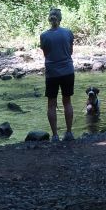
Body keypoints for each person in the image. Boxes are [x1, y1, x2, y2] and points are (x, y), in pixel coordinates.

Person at [40, 7, 74, 141]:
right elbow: (70, 51)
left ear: (50, 19)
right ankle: (69, 133)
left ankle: (54, 135)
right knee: (67, 102)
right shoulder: (68, 33)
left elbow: (46, 54)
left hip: (52, 73)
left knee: (51, 104)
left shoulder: (44, 36)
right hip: (67, 71)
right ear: (60, 19)